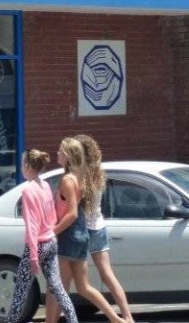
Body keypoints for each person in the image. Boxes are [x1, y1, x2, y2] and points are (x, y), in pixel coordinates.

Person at [45, 138, 126, 323]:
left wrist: (52, 231)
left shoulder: (67, 180)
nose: (57, 153)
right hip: (81, 235)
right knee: (83, 287)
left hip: (69, 236)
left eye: (60, 151)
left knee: (56, 287)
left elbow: (72, 213)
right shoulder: (78, 178)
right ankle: (116, 319)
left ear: (67, 156)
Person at [6, 149, 79, 323]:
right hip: (51, 241)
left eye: (23, 164)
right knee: (58, 288)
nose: (21, 168)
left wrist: (33, 256)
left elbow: (32, 226)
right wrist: (51, 232)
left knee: (20, 292)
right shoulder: (45, 185)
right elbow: (51, 214)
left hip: (37, 245)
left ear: (28, 166)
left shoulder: (28, 191)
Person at [74, 133, 134, 323]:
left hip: (83, 228)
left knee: (74, 280)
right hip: (98, 226)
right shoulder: (98, 172)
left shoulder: (79, 174)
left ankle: (115, 317)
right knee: (108, 275)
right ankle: (127, 316)